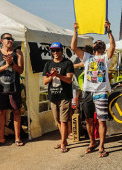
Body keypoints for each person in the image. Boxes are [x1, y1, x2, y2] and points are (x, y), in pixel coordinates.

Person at [71, 21, 115, 158]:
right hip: (87, 92)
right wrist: (75, 31)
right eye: (96, 42)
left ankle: (101, 146)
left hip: (101, 92)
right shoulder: (87, 57)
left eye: (101, 43)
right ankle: (92, 142)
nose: (98, 44)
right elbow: (73, 47)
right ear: (94, 46)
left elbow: (113, 46)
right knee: (89, 120)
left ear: (103, 48)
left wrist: (109, 31)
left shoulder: (105, 58)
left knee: (101, 120)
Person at [0, 33, 24, 147]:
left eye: (12, 39)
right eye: (8, 38)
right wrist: (6, 66)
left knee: (16, 111)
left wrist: (12, 63)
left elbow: (20, 70)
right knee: (1, 112)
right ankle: (1, 138)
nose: (10, 40)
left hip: (14, 88)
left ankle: (17, 138)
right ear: (2, 41)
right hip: (1, 89)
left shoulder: (18, 52)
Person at [43, 42, 74, 153]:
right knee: (58, 120)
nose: (55, 52)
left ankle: (62, 143)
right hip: (53, 96)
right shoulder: (48, 64)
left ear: (62, 51)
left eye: (57, 50)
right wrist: (52, 76)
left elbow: (69, 80)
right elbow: (45, 81)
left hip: (65, 96)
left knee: (64, 120)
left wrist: (57, 75)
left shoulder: (68, 63)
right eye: (53, 50)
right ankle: (63, 141)